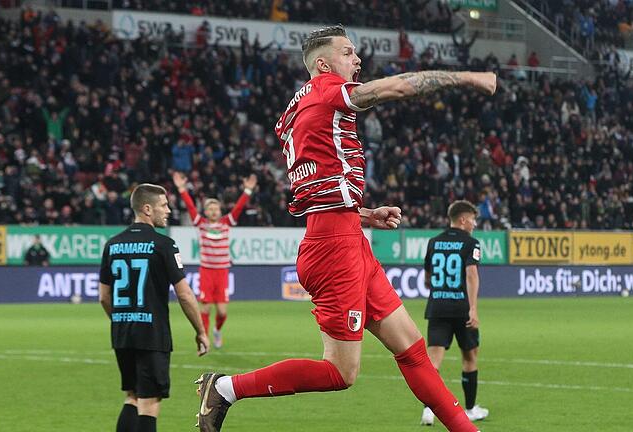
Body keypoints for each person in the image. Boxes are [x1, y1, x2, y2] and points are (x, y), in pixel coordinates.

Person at [195, 25, 497, 432]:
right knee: (340, 372)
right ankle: (226, 387)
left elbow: (316, 184)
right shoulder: (325, 90)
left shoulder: (294, 109)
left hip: (345, 235)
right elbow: (396, 89)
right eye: (348, 52)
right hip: (333, 248)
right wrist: (465, 77)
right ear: (323, 64)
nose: (357, 60)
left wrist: (363, 213)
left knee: (412, 349)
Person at [99, 183, 209, 432]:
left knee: (132, 396)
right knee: (149, 403)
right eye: (163, 205)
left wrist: (121, 320)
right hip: (152, 334)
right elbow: (184, 294)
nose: (168, 210)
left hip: (122, 332)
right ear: (147, 209)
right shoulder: (164, 245)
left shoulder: (112, 245)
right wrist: (200, 330)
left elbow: (103, 297)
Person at [420, 200, 489, 426]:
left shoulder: (433, 242)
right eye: (472, 219)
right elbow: (471, 275)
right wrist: (473, 308)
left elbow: (427, 278)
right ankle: (469, 409)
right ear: (463, 220)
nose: (474, 224)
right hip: (462, 309)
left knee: (433, 362)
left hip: (437, 307)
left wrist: (441, 293)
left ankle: (428, 411)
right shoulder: (471, 243)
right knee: (470, 357)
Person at [172, 171, 257, 349]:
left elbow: (238, 208)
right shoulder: (201, 223)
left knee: (222, 311)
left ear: (220, 211)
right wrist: (181, 189)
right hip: (206, 271)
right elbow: (190, 207)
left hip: (222, 271)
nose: (212, 211)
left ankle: (217, 330)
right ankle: (204, 339)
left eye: (215, 208)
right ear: (206, 211)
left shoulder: (226, 222)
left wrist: (247, 191)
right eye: (209, 208)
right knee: (205, 308)